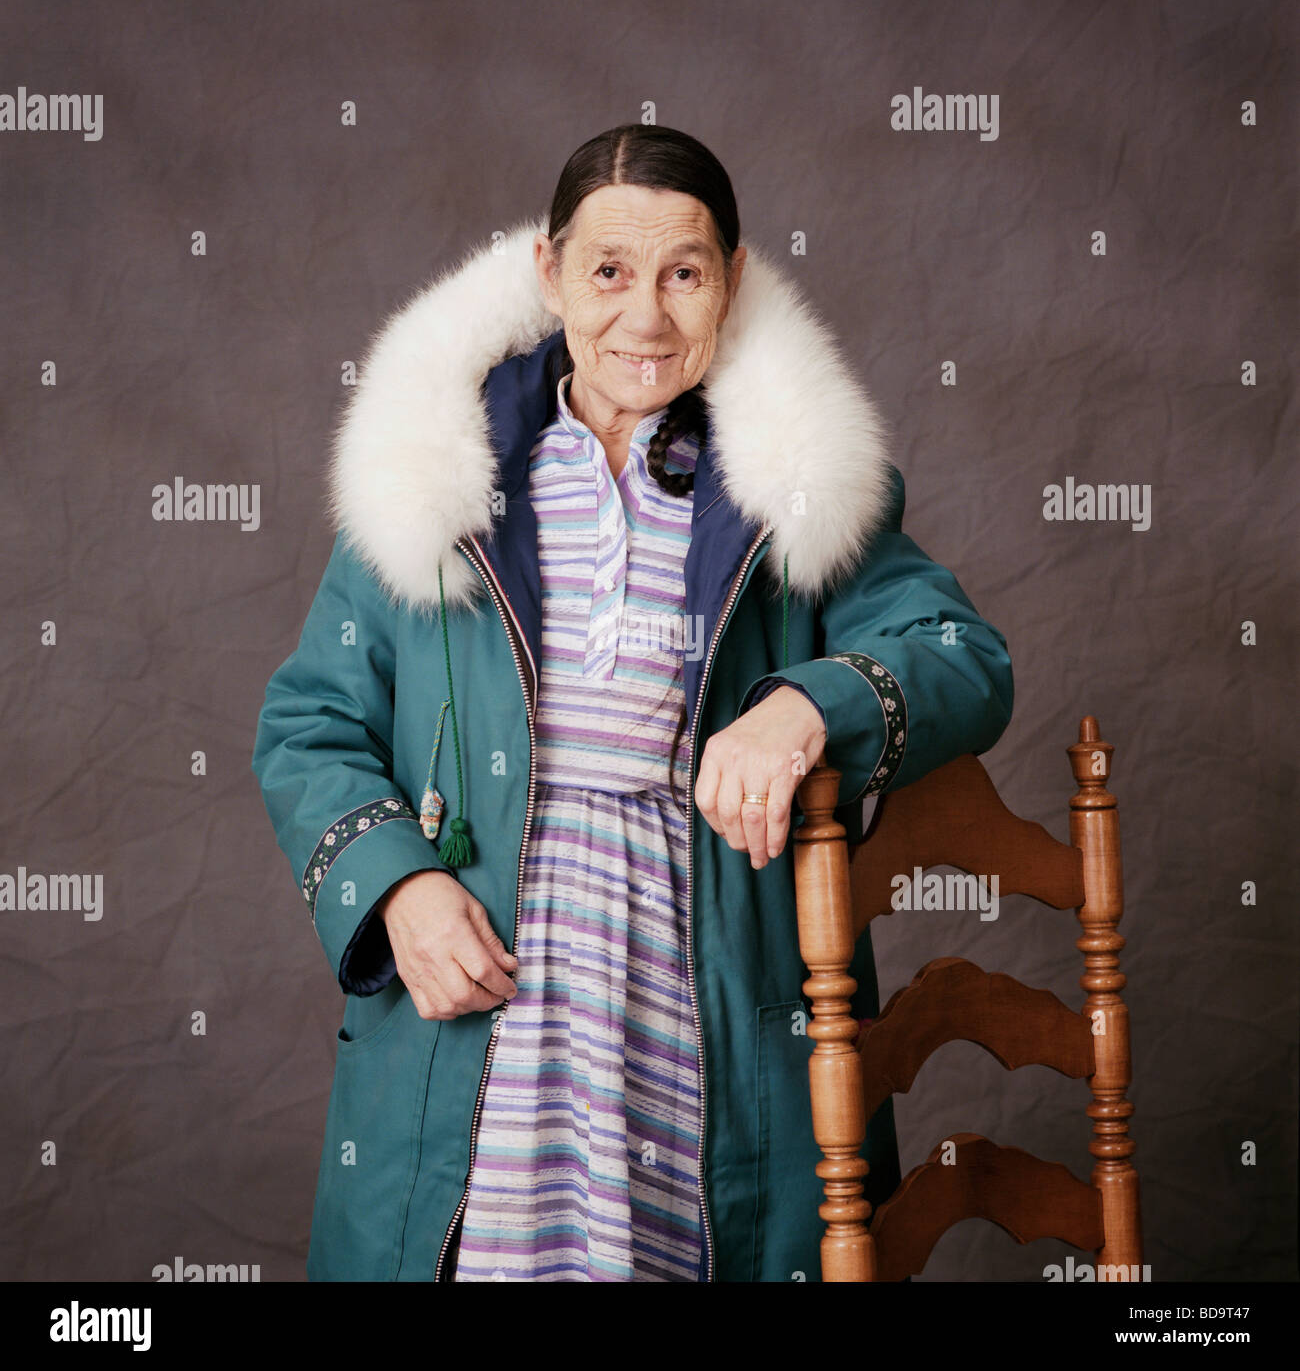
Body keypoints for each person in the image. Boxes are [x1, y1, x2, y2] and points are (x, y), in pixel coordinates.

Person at [251, 123, 1014, 1282]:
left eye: (684, 272)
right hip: (481, 1039)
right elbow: (310, 720)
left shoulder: (785, 488)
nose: (644, 316)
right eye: (608, 271)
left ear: (733, 281)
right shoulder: (438, 474)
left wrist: (806, 706)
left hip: (706, 1043)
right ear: (549, 274)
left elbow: (962, 654)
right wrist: (399, 888)